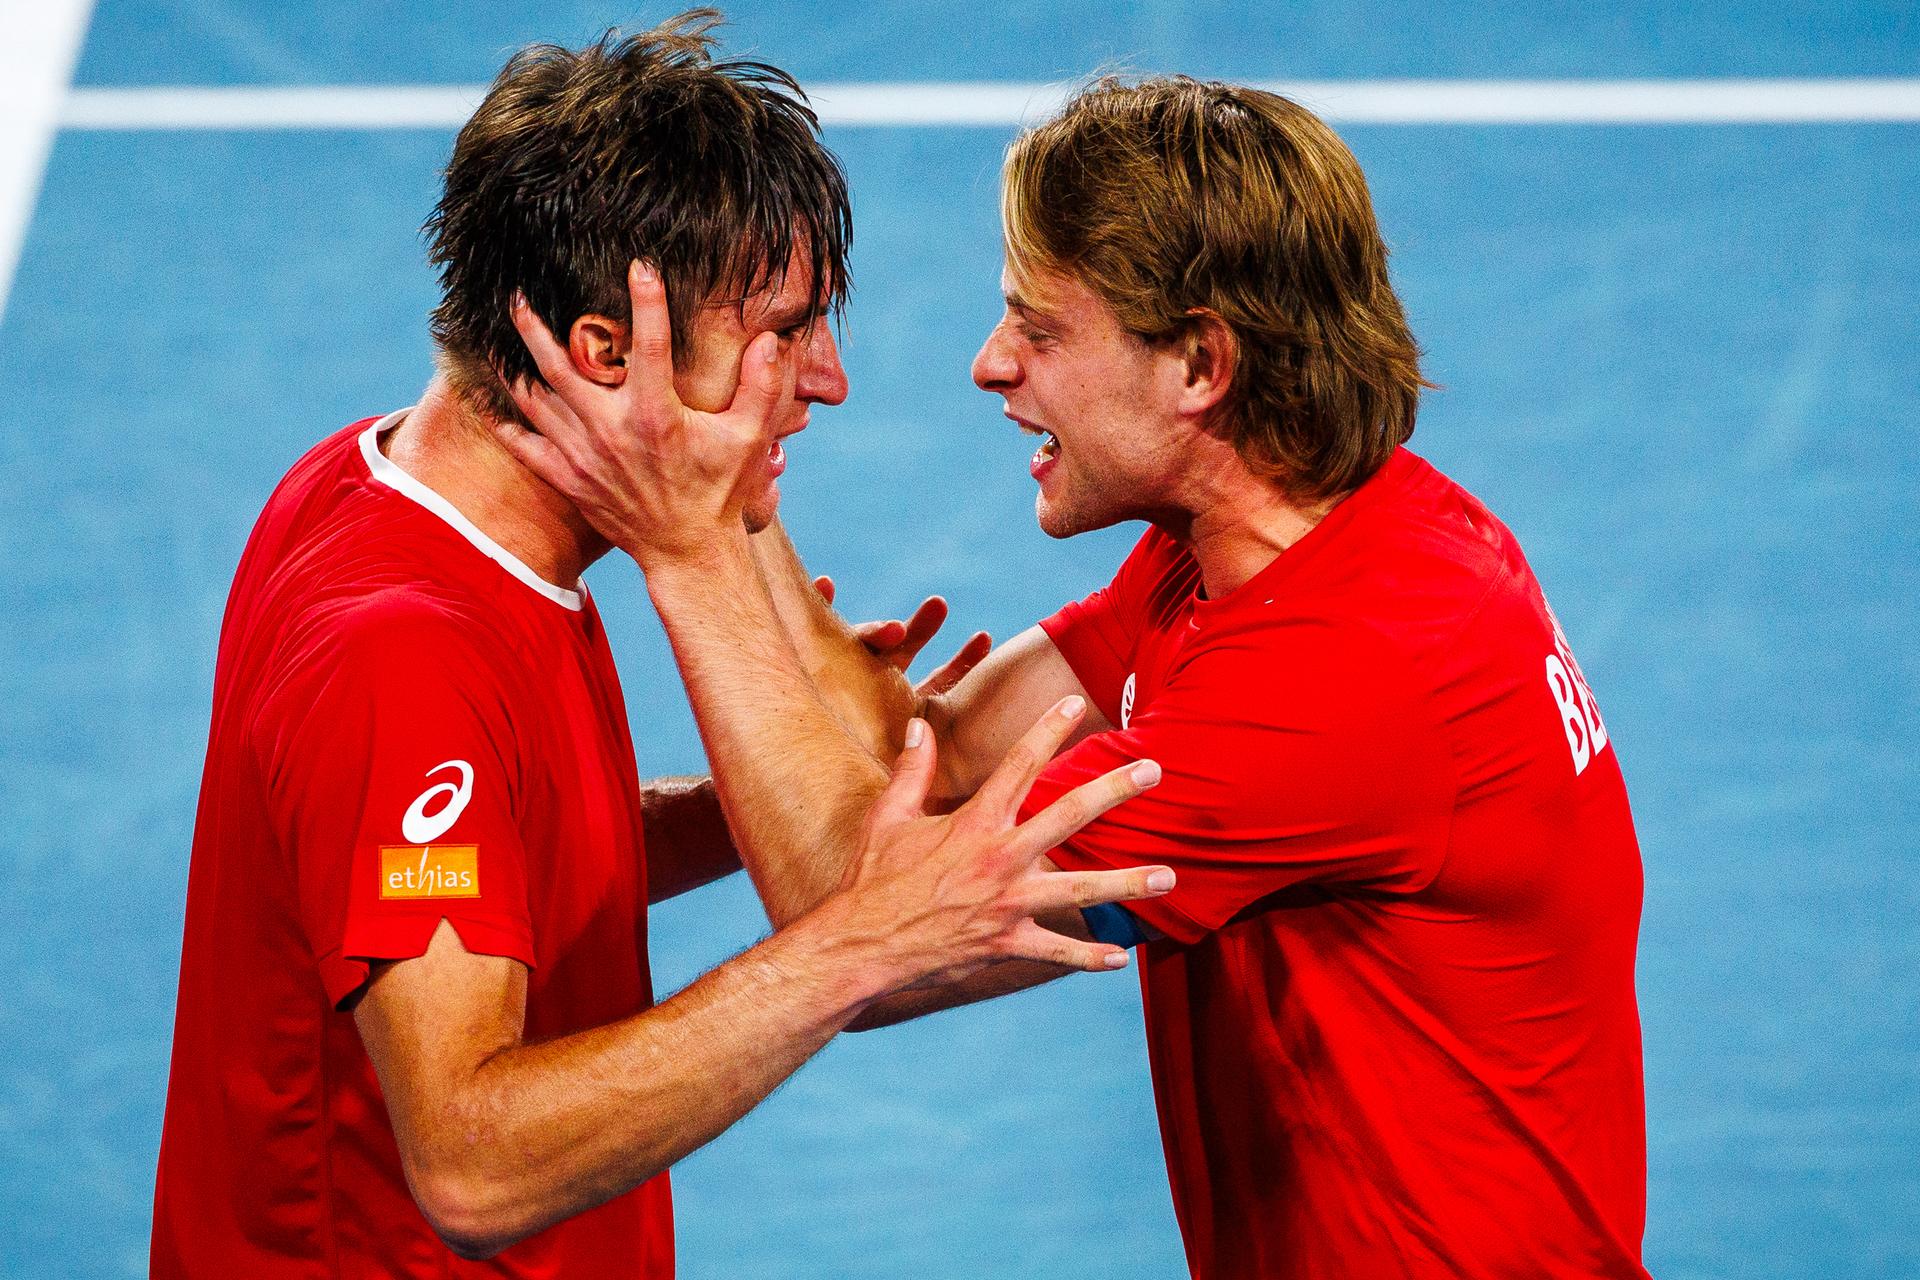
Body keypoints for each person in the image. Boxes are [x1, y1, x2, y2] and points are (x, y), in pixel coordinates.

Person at [504, 76, 1650, 1279]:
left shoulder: (1335, 681)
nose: (991, 365)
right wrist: (730, 466)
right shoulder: (1253, 536)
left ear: (1200, 363)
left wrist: (687, 539)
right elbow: (933, 757)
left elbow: (861, 912)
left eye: (1041, 330)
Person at [147, 20, 1170, 1278]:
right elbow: (473, 1159)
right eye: (782, 334)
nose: (828, 381)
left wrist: (795, 802)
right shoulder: (404, 659)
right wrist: (868, 935)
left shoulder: (364, 480)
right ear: (601, 355)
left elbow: (471, 857)